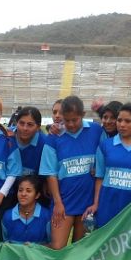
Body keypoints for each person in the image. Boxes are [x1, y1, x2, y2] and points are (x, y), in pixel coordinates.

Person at [40, 96, 104, 249]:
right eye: (66, 120)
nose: (70, 124)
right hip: (64, 203)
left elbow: (105, 160)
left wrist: (96, 202)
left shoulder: (96, 131)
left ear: (83, 114)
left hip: (88, 204)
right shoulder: (53, 137)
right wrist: (58, 203)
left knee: (79, 250)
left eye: (74, 120)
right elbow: (50, 173)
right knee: (57, 248)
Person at [84, 102, 131, 228]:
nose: (122, 124)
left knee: (129, 245)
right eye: (119, 120)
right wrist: (96, 203)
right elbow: (100, 177)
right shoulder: (105, 145)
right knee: (105, 246)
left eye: (128, 121)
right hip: (107, 204)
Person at [2, 176, 52, 245]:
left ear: (37, 195)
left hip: (39, 255)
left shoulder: (46, 215)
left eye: (28, 191)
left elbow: (52, 244)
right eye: (20, 190)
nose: (23, 194)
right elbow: (5, 242)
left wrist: (34, 248)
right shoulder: (8, 215)